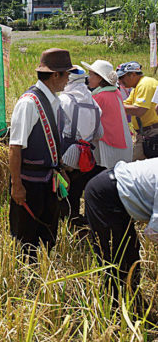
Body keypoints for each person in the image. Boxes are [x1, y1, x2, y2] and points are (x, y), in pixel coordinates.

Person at [8, 48, 76, 258]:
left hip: (49, 181)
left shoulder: (53, 101)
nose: (68, 80)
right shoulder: (29, 103)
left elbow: (52, 142)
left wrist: (61, 169)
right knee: (26, 237)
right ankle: (25, 282)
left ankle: (42, 276)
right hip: (29, 184)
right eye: (67, 75)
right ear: (55, 75)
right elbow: (15, 147)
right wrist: (17, 185)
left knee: (47, 233)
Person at [84, 157, 158, 295]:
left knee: (131, 253)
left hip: (119, 195)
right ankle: (115, 308)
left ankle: (132, 301)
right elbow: (154, 231)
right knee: (115, 260)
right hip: (105, 193)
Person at [58, 65, 105, 223]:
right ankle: (74, 220)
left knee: (62, 189)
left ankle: (64, 223)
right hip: (85, 156)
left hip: (65, 154)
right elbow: (100, 134)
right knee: (76, 191)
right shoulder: (94, 104)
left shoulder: (64, 100)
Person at [82, 60, 132, 168]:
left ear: (100, 78)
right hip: (123, 142)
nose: (88, 78)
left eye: (91, 75)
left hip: (109, 145)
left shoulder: (99, 97)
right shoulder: (115, 92)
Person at [117, 62, 158, 160]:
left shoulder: (145, 84)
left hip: (152, 133)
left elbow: (139, 110)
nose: (120, 81)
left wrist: (113, 105)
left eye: (122, 77)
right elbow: (125, 104)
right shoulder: (137, 87)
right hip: (146, 133)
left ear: (133, 74)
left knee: (130, 165)